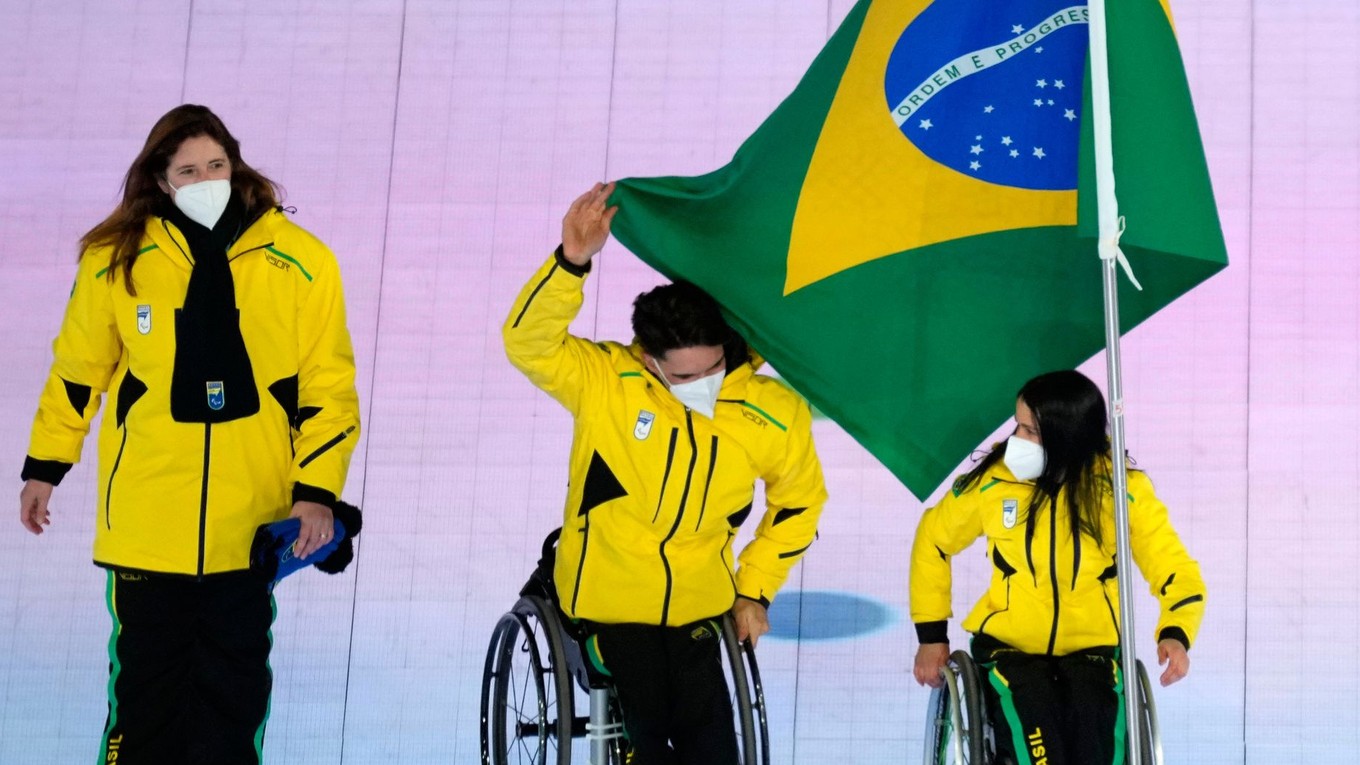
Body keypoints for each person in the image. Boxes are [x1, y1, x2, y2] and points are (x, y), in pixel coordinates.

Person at [17, 104, 361, 765]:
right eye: (188, 171)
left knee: (231, 708)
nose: (206, 180)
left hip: (247, 527)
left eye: (216, 165)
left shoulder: (302, 260)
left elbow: (328, 389)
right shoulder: (115, 258)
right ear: (160, 179)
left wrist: (316, 491)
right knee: (143, 707)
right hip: (147, 525)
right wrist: (45, 466)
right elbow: (78, 373)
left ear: (236, 165)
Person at [503, 182, 828, 764]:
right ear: (649, 360)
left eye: (713, 368)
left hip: (699, 603)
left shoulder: (771, 412)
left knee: (712, 740)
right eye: (683, 376)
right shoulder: (606, 380)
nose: (702, 385)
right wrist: (571, 262)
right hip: (607, 597)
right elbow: (528, 344)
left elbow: (800, 503)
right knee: (647, 720)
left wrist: (754, 590)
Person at [910, 370, 1205, 765]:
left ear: (1067, 436)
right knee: (1037, 728)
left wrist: (1177, 632)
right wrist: (931, 636)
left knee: (1095, 734)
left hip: (1093, 652)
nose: (1016, 440)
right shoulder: (993, 482)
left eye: (1031, 431)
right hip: (1010, 650)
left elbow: (1174, 568)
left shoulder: (1121, 491)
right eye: (1018, 426)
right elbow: (934, 539)